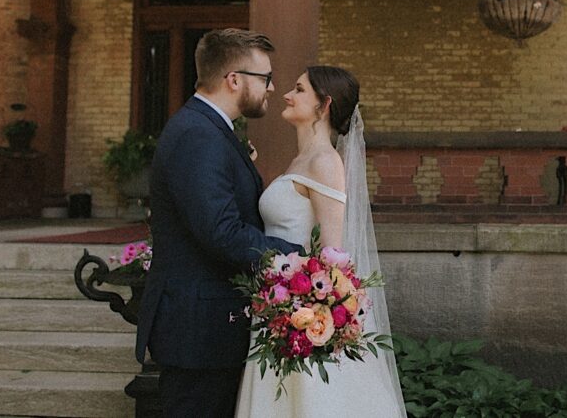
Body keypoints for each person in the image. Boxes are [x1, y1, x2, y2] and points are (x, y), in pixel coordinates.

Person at [135, 29, 302, 418]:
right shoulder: (198, 135)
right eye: (265, 78)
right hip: (199, 328)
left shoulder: (211, 131)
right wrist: (299, 261)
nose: (273, 88)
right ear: (234, 80)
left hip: (210, 323)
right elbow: (221, 233)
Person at [235, 66, 406, 417]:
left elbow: (333, 254)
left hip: (302, 314)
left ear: (323, 105)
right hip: (279, 309)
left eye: (299, 89)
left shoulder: (326, 162)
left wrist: (305, 315)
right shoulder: (301, 160)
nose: (286, 94)